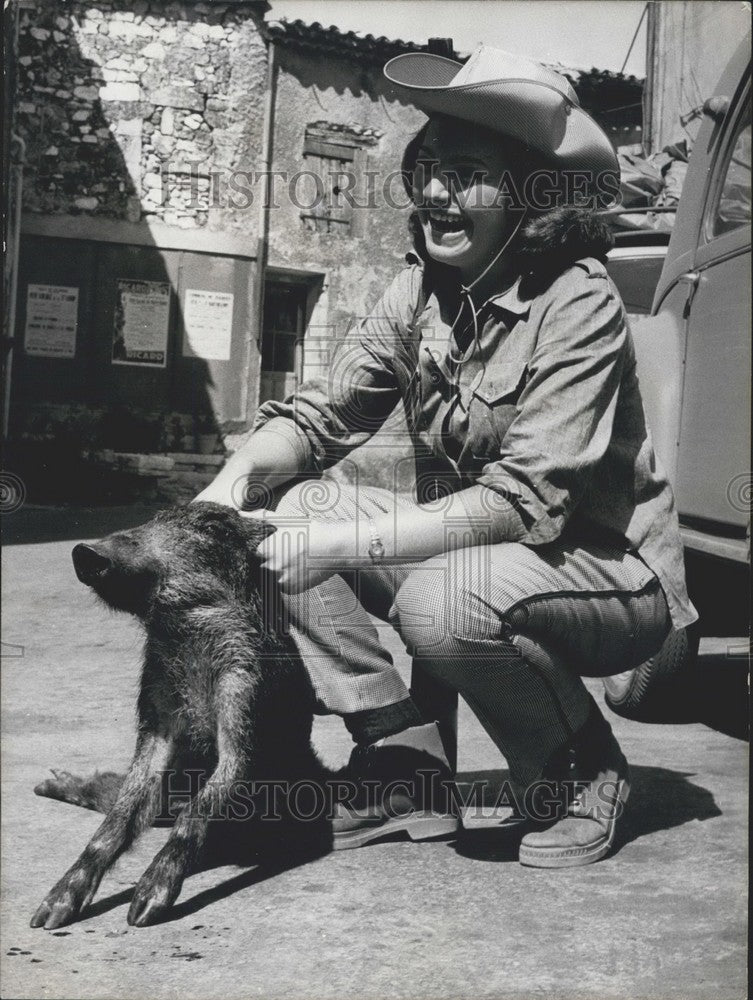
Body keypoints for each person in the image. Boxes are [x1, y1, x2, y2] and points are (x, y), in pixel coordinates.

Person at [196, 45, 697, 867]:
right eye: (428, 166)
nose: (435, 192)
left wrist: (335, 546)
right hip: (480, 554)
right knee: (276, 514)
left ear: (532, 193)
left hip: (605, 576)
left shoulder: (577, 297)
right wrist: (230, 485)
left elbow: (523, 501)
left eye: (465, 173)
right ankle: (402, 764)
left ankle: (581, 774)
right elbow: (322, 416)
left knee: (441, 597)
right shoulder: (417, 292)